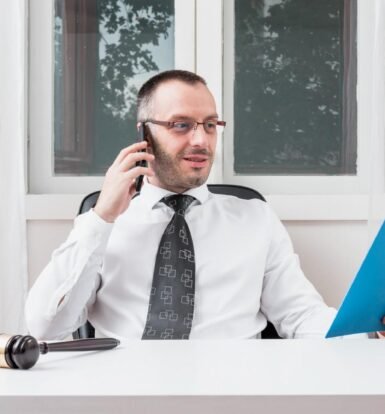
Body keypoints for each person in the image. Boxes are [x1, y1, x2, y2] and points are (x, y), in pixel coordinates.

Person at [25, 70, 365, 340]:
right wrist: (101, 219)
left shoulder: (255, 217)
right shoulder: (103, 225)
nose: (201, 140)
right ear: (145, 134)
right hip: (127, 392)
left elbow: (301, 315)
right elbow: (46, 327)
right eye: (181, 125)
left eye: (210, 125)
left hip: (235, 392)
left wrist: (365, 332)